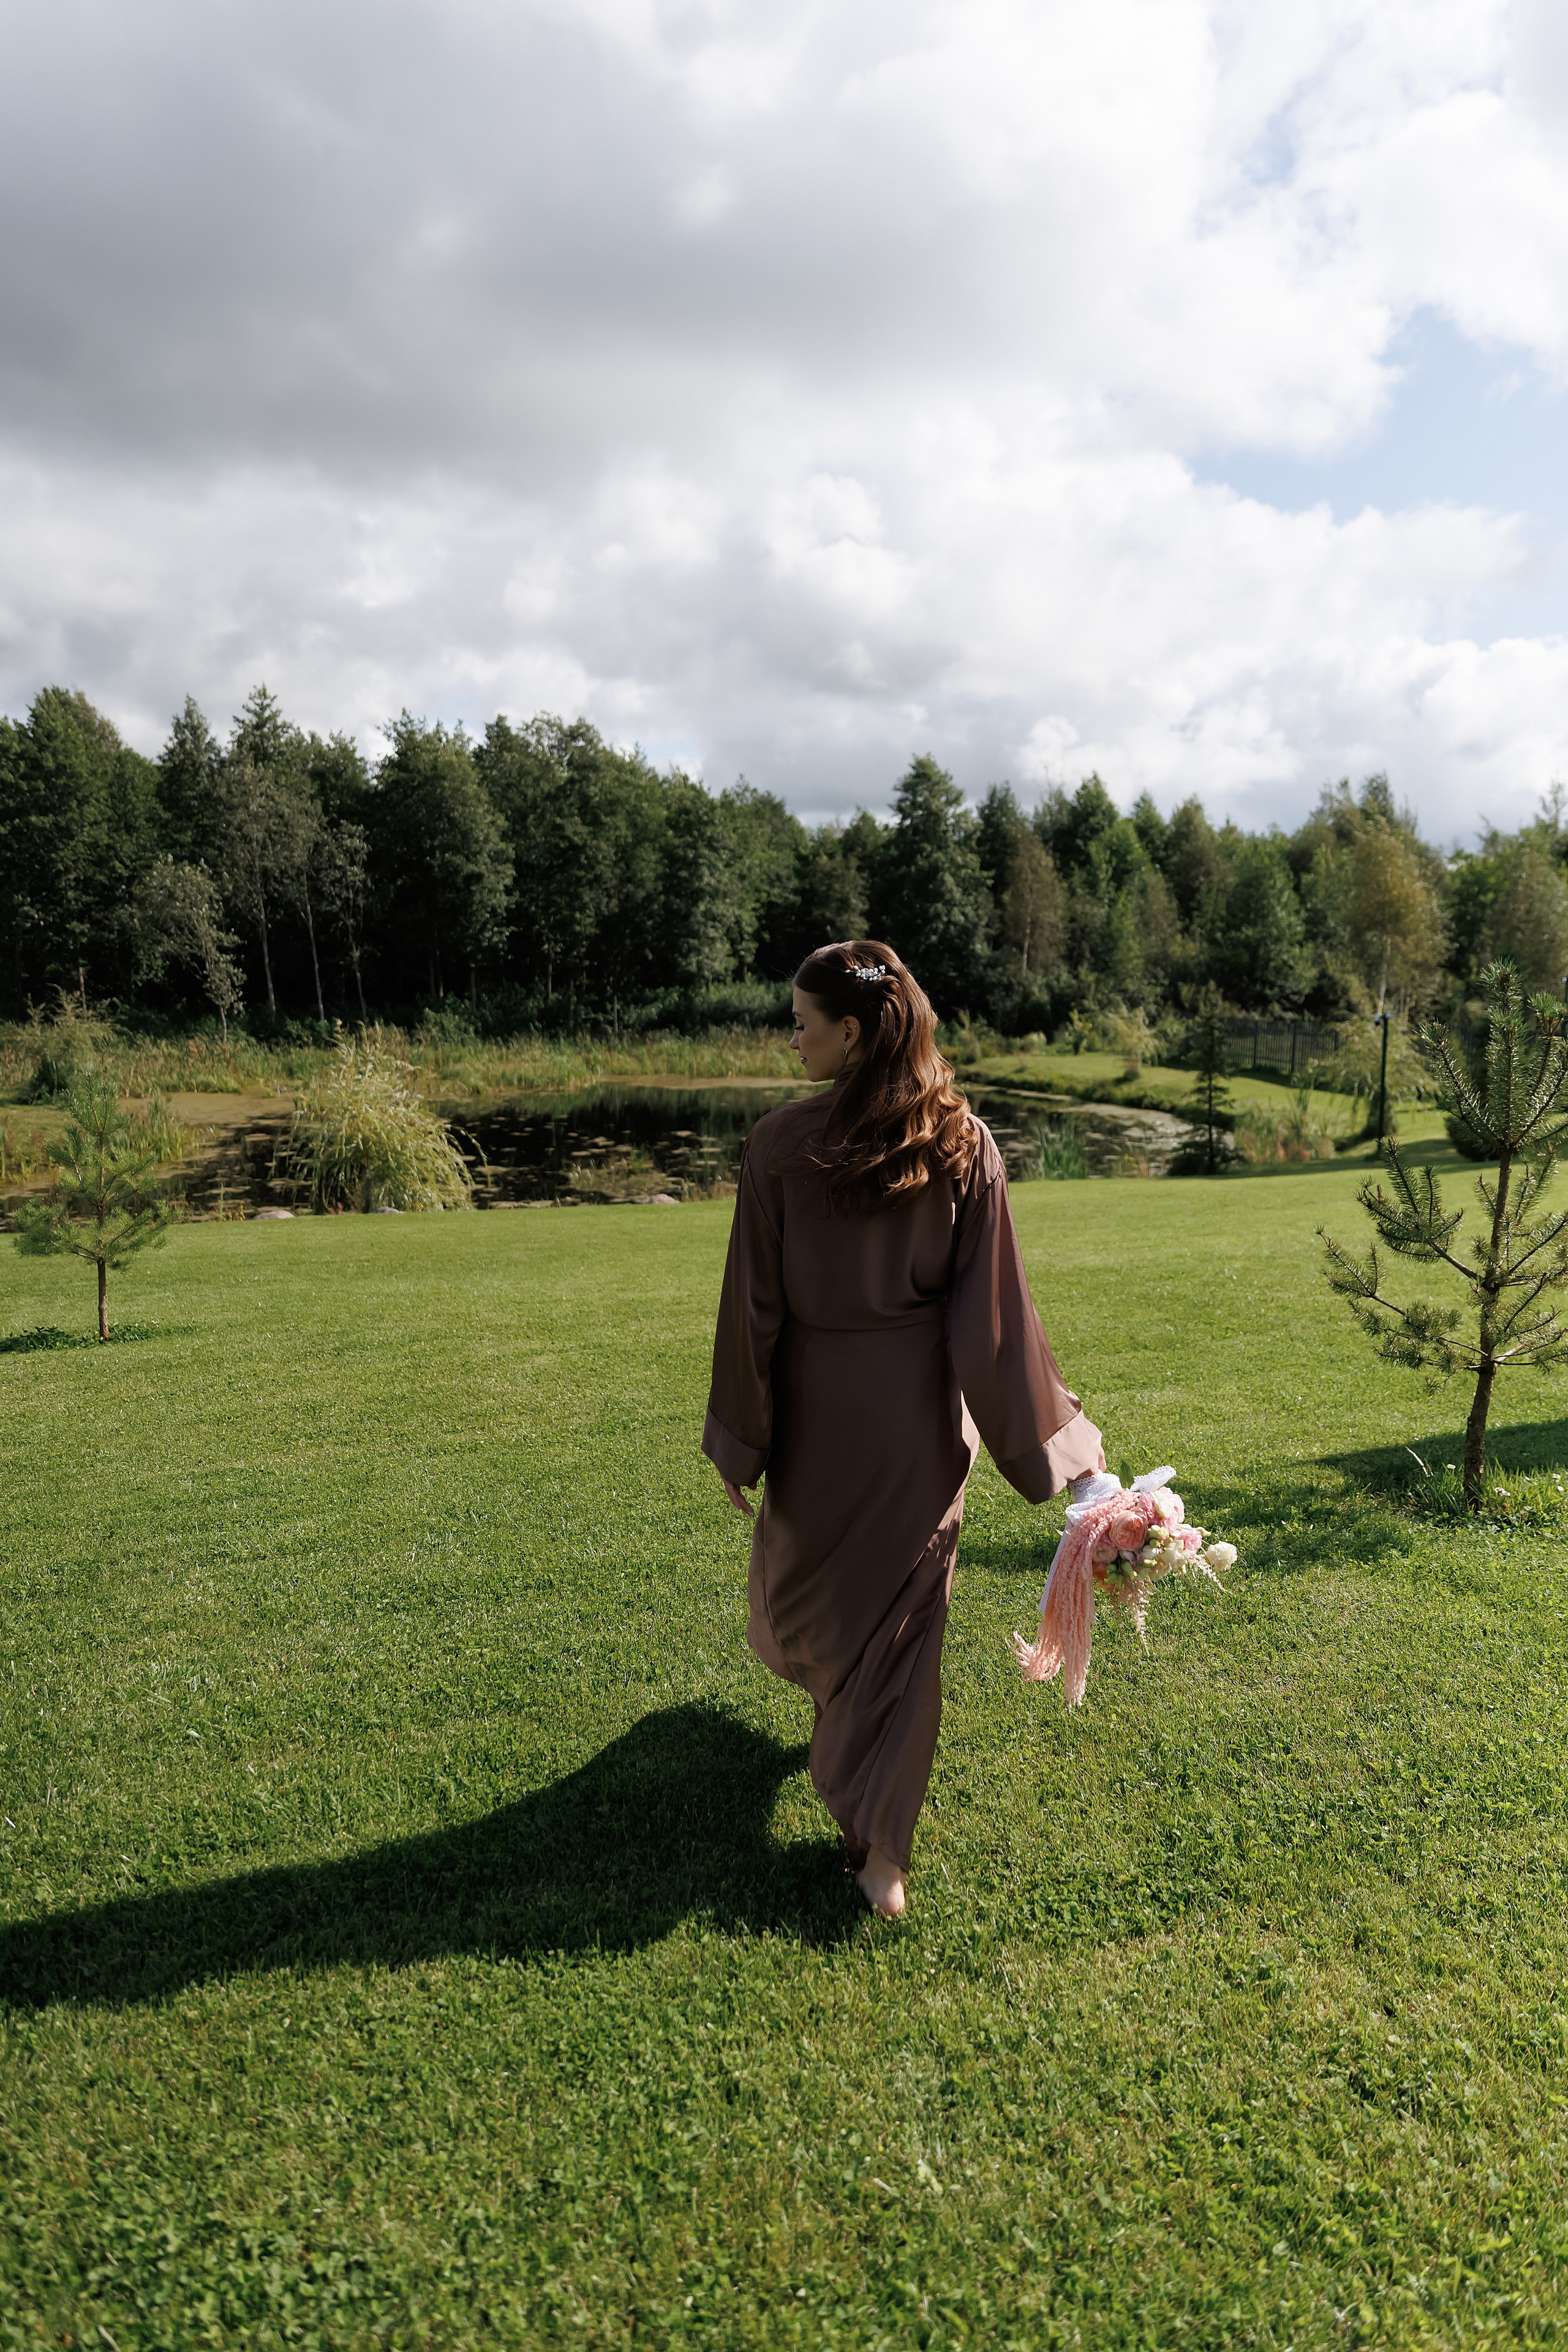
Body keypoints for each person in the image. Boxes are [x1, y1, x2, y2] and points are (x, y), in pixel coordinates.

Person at [703, 940, 1104, 1918]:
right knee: (904, 1629)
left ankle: (881, 1839)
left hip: (814, 1417)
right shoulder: (963, 1144)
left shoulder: (775, 1147)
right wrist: (1068, 1459)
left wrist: (741, 1437)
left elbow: (752, 1310)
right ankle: (882, 1850)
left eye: (801, 1020)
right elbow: (994, 1327)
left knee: (830, 1614)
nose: (789, 1034)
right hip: (917, 1426)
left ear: (852, 1031)